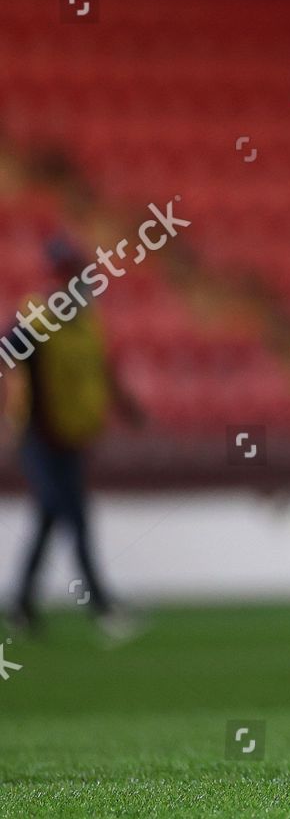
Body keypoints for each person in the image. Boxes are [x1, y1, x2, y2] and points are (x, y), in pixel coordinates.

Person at [2, 235, 144, 642]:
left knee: (50, 519)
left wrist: (127, 409)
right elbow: (7, 351)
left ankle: (21, 607)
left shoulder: (88, 326)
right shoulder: (38, 320)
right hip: (39, 438)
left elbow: (104, 371)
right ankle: (100, 603)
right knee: (74, 517)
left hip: (71, 438)